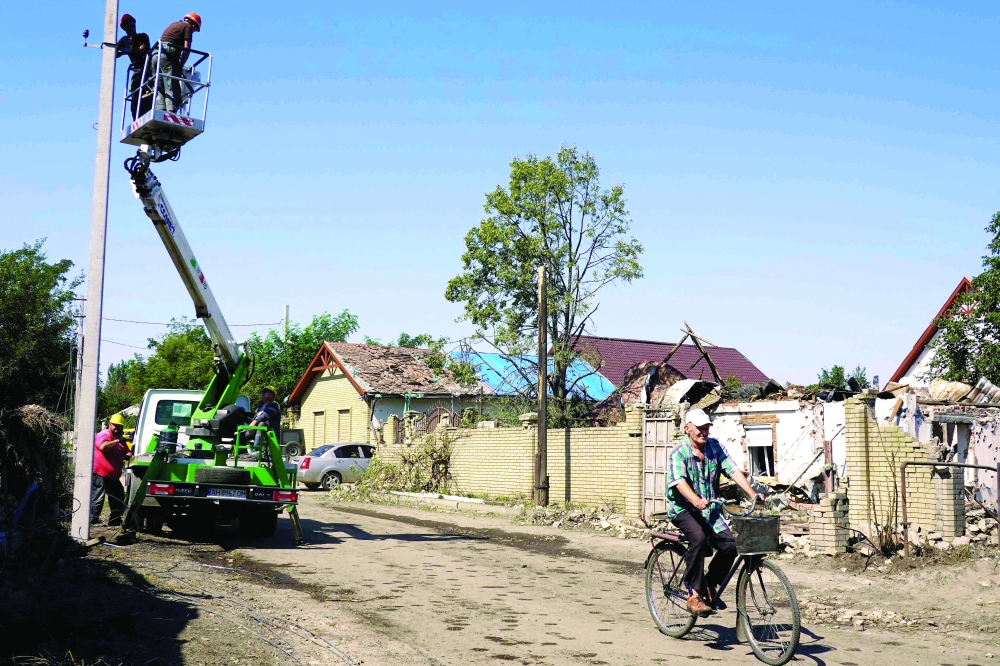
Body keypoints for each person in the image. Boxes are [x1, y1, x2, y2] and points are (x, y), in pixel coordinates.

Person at [666, 408, 764, 614]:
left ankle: (709, 584)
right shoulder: (679, 453)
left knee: (730, 545)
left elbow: (733, 470)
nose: (703, 431)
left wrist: (752, 493)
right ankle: (694, 594)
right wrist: (695, 499)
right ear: (687, 428)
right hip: (683, 508)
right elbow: (679, 482)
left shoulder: (714, 447)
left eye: (706, 428)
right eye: (699, 428)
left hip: (709, 509)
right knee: (699, 539)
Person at [154, 12, 201, 112]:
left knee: (160, 86)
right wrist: (180, 65)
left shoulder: (173, 24)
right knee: (172, 85)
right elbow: (187, 49)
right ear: (193, 24)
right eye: (194, 30)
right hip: (168, 57)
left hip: (155, 56)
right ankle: (171, 111)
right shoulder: (187, 26)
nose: (192, 31)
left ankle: (160, 110)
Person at [92, 413, 132, 526]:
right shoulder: (104, 435)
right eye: (114, 425)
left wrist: (128, 454)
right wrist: (117, 441)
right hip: (100, 473)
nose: (117, 427)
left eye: (119, 425)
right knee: (98, 496)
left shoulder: (119, 438)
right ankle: (92, 520)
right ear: (109, 424)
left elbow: (127, 450)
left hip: (112, 476)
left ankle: (114, 519)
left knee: (118, 494)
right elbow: (103, 447)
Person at [115, 14, 151, 120]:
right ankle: (137, 120)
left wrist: (126, 50)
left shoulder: (143, 36)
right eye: (128, 27)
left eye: (132, 26)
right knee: (135, 100)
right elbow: (114, 53)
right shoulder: (124, 40)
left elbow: (141, 49)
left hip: (148, 71)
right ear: (124, 28)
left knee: (146, 96)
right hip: (136, 73)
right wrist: (116, 50)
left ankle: (146, 117)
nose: (131, 29)